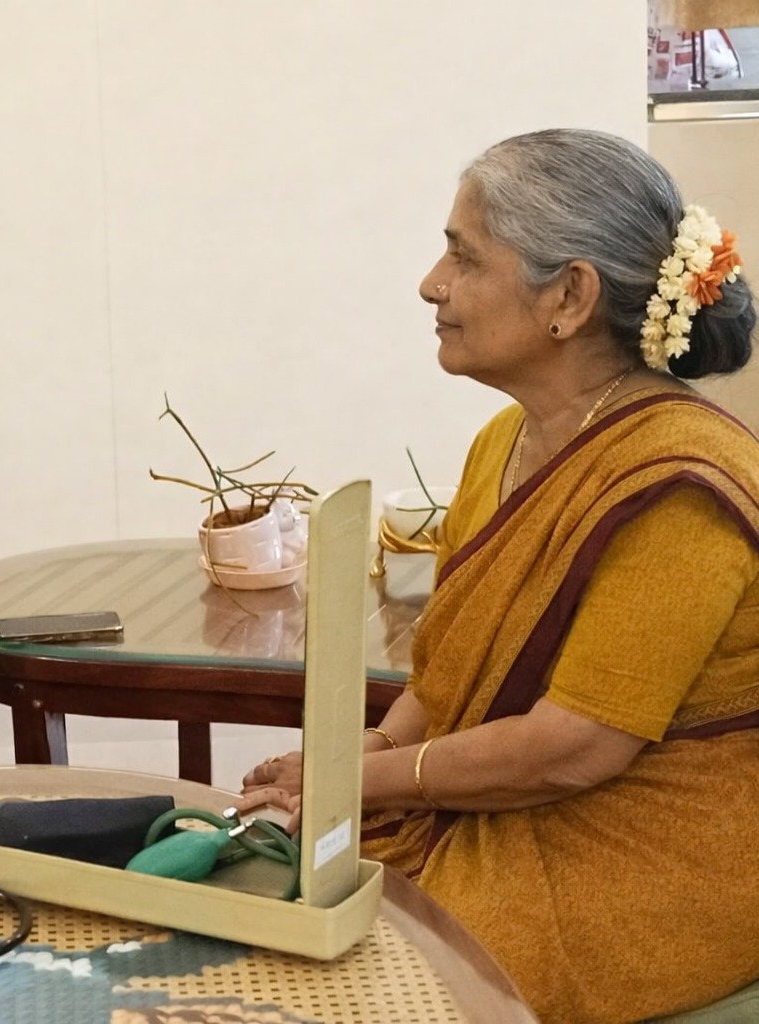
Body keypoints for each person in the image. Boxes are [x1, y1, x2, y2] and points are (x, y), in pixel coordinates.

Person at [235, 129, 759, 1023]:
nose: (431, 283)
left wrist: (354, 785)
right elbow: (453, 670)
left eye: (464, 256)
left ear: (569, 297)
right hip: (499, 804)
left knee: (359, 980)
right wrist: (359, 756)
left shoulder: (680, 485)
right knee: (259, 886)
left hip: (648, 857)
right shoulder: (503, 443)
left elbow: (573, 748)